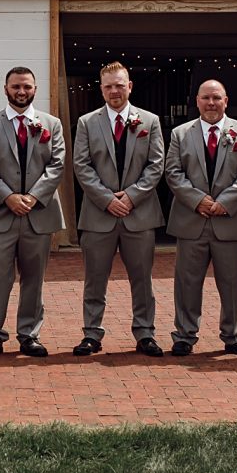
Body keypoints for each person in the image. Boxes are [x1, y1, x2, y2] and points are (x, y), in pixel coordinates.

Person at [70, 62, 165, 357]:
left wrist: (132, 196)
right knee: (95, 279)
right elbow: (81, 165)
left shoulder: (149, 121)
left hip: (139, 214)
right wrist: (107, 199)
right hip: (99, 214)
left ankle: (145, 333)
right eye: (109, 86)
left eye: (119, 85)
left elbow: (156, 164)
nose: (114, 91)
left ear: (130, 86)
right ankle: (91, 334)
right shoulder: (87, 122)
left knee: (143, 279)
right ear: (101, 89)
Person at [163, 79, 237, 356]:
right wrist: (198, 200)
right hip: (191, 219)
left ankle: (234, 335)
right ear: (197, 101)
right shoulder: (181, 134)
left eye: (216, 98)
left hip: (231, 219)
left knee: (232, 284)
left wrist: (225, 202)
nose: (211, 103)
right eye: (206, 98)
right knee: (187, 283)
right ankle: (184, 335)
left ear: (226, 101)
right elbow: (172, 172)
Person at [0, 66, 65, 358]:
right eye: (16, 86)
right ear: (5, 89)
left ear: (35, 89)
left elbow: (57, 164)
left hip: (38, 215)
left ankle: (29, 335)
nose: (21, 92)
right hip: (0, 214)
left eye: (26, 86)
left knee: (33, 279)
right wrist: (9, 196)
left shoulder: (52, 123)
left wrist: (34, 197)